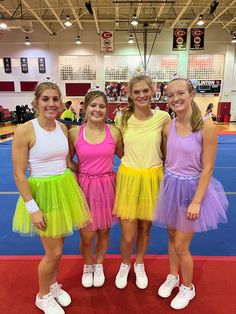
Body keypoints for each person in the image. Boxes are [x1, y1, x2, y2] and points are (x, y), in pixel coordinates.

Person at [12, 80, 91, 314]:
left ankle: (53, 285)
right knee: (53, 252)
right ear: (36, 101)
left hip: (64, 189)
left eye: (55, 99)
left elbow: (66, 162)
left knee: (60, 246)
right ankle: (42, 295)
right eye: (45, 99)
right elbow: (18, 174)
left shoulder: (62, 128)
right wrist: (32, 208)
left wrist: (92, 170)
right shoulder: (26, 130)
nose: (51, 103)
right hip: (42, 194)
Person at [154, 77, 228, 310]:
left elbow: (208, 168)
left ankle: (188, 287)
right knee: (171, 238)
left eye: (180, 93)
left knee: (181, 246)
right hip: (171, 186)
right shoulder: (169, 126)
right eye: (170, 95)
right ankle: (173, 276)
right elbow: (168, 159)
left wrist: (197, 201)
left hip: (191, 190)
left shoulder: (205, 126)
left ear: (191, 94)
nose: (175, 99)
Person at [113, 74, 170, 290]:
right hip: (129, 177)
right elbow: (119, 150)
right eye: (136, 92)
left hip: (152, 177)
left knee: (145, 229)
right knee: (128, 235)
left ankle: (139, 263)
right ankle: (125, 263)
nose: (141, 95)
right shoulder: (122, 118)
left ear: (153, 90)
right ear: (130, 94)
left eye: (145, 91)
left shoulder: (163, 117)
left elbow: (166, 149)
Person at [69, 88, 123, 288]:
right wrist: (82, 172)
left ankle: (99, 264)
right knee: (87, 234)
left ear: (107, 109)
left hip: (107, 186)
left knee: (104, 231)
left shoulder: (114, 132)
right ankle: (88, 265)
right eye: (93, 105)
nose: (97, 109)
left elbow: (125, 157)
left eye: (101, 106)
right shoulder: (75, 132)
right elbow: (67, 160)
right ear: (85, 107)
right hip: (84, 187)